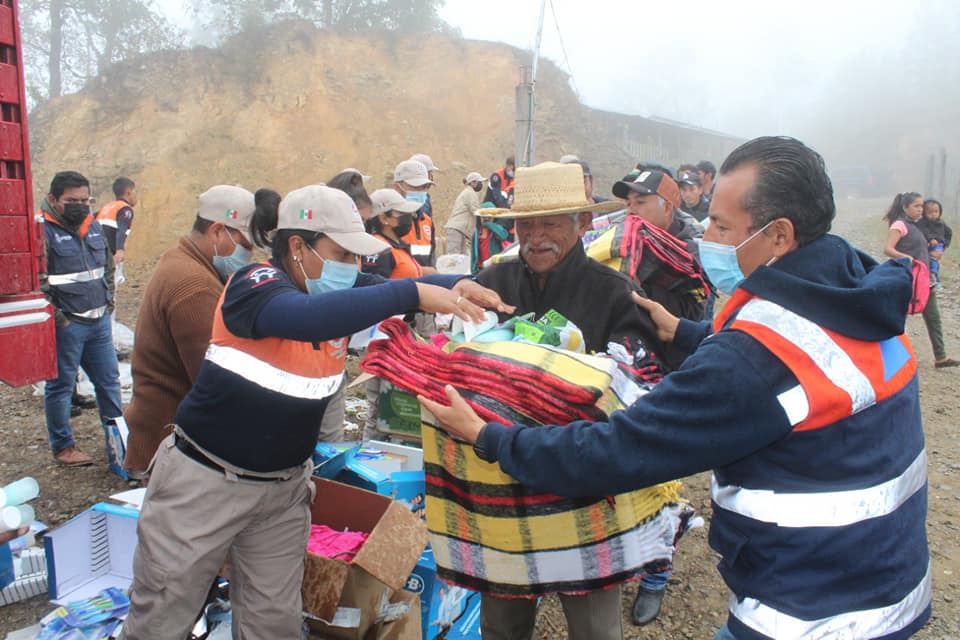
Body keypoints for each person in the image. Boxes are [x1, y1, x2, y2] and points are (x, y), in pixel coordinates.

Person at [422, 136, 932, 640]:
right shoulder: (852, 293)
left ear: (779, 235)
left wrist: (490, 437)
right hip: (880, 578)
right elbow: (767, 356)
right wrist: (691, 334)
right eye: (524, 225)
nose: (703, 235)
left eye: (720, 225)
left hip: (808, 612)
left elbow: (627, 441)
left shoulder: (649, 308)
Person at [121, 185, 509, 639]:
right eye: (342, 253)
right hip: (206, 482)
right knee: (163, 616)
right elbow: (310, 317)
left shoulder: (342, 291)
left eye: (357, 256)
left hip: (281, 492)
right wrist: (411, 295)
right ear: (298, 247)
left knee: (275, 621)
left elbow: (386, 290)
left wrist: (454, 285)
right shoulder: (255, 287)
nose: (353, 267)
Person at [471, 161, 664, 640]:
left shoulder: (616, 293)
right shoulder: (492, 283)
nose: (536, 237)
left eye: (551, 223)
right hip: (501, 470)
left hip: (584, 480)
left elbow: (636, 384)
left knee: (595, 629)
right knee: (501, 623)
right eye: (526, 225)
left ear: (581, 224)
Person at [123, 186, 258, 480]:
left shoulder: (181, 259)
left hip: (165, 433)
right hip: (171, 444)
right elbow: (214, 381)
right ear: (218, 231)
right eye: (245, 245)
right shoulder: (194, 286)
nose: (249, 254)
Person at [38, 171, 122, 467]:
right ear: (53, 200)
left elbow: (107, 267)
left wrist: (108, 301)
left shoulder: (93, 225)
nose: (80, 205)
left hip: (98, 321)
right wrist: (60, 320)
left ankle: (118, 440)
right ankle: (63, 447)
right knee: (60, 387)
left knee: (109, 382)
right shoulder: (41, 232)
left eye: (85, 200)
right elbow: (38, 283)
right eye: (71, 201)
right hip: (68, 326)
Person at [883, 192, 958, 368]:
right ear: (905, 207)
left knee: (934, 318)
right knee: (898, 318)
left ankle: (940, 357)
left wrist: (936, 254)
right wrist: (906, 257)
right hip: (905, 279)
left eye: (921, 206)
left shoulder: (920, 226)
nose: (920, 209)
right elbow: (888, 249)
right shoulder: (900, 224)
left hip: (924, 280)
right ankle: (890, 359)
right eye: (916, 206)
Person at [363, 188, 426, 279]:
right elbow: (376, 288)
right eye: (402, 212)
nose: (409, 216)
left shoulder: (397, 245)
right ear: (384, 218)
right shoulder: (380, 249)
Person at [394, 159, 436, 268]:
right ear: (398, 188)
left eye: (425, 187)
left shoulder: (427, 221)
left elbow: (431, 258)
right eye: (415, 187)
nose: (421, 192)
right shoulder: (388, 221)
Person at [96, 176, 136, 265]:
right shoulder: (125, 208)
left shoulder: (106, 207)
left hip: (97, 252)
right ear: (128, 192)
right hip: (110, 254)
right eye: (134, 191)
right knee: (115, 278)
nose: (135, 195)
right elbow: (121, 229)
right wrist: (119, 250)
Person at [445, 172, 486, 255]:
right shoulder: (470, 193)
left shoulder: (468, 192)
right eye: (480, 182)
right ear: (473, 182)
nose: (481, 185)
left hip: (459, 229)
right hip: (456, 229)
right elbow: (476, 211)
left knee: (461, 259)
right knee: (454, 258)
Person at [917, 199, 952, 289]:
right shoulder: (922, 222)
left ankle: (933, 277)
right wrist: (930, 239)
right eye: (930, 212)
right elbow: (924, 231)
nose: (933, 214)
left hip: (938, 245)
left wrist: (946, 244)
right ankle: (935, 279)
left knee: (933, 259)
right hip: (927, 244)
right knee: (927, 261)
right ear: (924, 213)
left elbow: (949, 232)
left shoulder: (941, 222)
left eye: (936, 212)